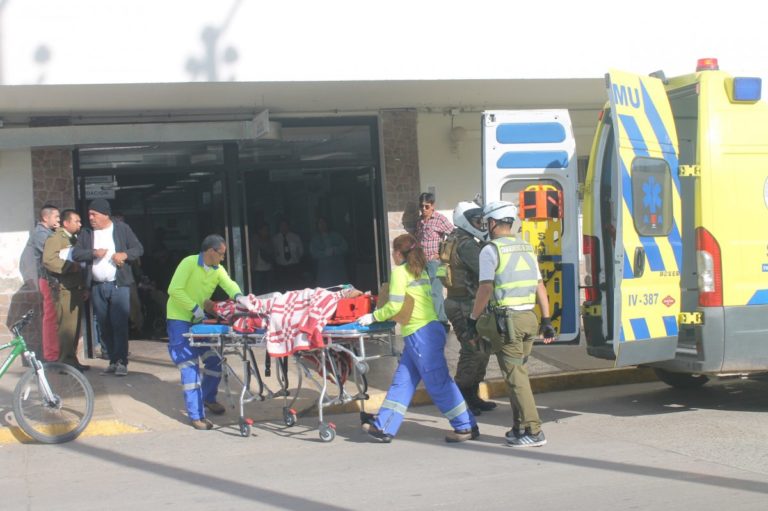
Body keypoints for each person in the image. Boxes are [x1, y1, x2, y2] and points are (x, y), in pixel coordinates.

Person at [357, 233, 477, 443]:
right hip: (426, 332)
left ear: (397, 253)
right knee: (402, 382)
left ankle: (465, 425)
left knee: (438, 383)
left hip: (421, 335)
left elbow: (394, 306)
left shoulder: (401, 273)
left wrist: (373, 317)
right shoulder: (420, 270)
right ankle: (384, 426)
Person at [467, 201, 556, 447]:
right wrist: (547, 320)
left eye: (487, 222)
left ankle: (534, 431)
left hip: (508, 322)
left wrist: (473, 319)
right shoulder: (526, 247)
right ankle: (519, 427)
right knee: (515, 374)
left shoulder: (490, 250)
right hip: (529, 319)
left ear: (493, 223)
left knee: (516, 377)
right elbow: (539, 285)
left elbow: (485, 288)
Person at [166, 234, 243, 430]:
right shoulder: (189, 263)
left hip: (198, 321)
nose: (222, 258)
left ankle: (208, 398)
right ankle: (196, 415)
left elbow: (229, 284)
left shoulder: (218, 270)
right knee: (189, 364)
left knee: (214, 359)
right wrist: (194, 308)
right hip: (179, 319)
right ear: (210, 251)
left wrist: (240, 297)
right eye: (221, 254)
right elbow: (174, 289)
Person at [72, 198, 144, 377]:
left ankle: (121, 362)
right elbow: (76, 254)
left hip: (118, 285)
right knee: (104, 325)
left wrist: (124, 255)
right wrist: (93, 253)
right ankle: (112, 360)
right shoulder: (87, 233)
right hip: (97, 286)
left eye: (94, 214)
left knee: (119, 324)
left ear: (105, 214)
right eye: (89, 214)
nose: (90, 217)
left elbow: (138, 249)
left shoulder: (121, 229)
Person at [441, 200, 497, 416]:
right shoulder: (467, 245)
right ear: (465, 221)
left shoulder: (455, 239)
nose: (480, 224)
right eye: (475, 220)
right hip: (465, 303)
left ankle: (472, 395)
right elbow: (486, 269)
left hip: (462, 301)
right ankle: (462, 398)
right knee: (473, 350)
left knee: (480, 350)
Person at [42, 209, 90, 371]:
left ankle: (71, 360)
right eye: (76, 221)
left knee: (75, 329)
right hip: (64, 289)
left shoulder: (75, 239)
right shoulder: (56, 238)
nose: (80, 224)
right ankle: (64, 362)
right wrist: (70, 267)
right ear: (66, 223)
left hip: (75, 288)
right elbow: (49, 260)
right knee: (66, 329)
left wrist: (83, 286)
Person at [25, 204, 60, 361]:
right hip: (46, 280)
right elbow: (52, 254)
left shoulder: (47, 232)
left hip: (48, 279)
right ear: (46, 217)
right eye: (56, 217)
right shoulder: (41, 234)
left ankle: (53, 353)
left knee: (52, 316)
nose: (58, 220)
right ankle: (51, 355)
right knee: (50, 317)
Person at [414, 192, 453, 331]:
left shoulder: (440, 219)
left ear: (433, 206)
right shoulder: (420, 221)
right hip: (422, 262)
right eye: (421, 206)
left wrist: (442, 254)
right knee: (425, 292)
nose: (423, 209)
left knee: (436, 292)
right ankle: (430, 321)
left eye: (426, 206)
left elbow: (453, 235)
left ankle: (442, 322)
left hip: (436, 263)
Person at [309, 216, 348, 287]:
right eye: (320, 223)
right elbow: (313, 253)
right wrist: (324, 253)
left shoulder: (336, 235)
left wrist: (335, 250)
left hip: (338, 270)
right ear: (317, 225)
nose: (322, 225)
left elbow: (345, 247)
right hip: (324, 272)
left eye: (324, 223)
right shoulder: (315, 239)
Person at [272, 219, 304, 291]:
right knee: (283, 288)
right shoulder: (275, 239)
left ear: (288, 226)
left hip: (294, 266)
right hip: (281, 267)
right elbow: (273, 252)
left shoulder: (295, 237)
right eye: (281, 226)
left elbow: (301, 250)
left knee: (295, 287)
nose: (283, 227)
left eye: (285, 225)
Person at [250, 223, 275, 295]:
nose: (265, 231)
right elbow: (252, 253)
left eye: (266, 230)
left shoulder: (270, 240)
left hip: (268, 268)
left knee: (268, 290)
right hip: (257, 268)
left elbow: (272, 251)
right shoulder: (255, 239)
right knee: (258, 290)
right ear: (259, 230)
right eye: (264, 230)